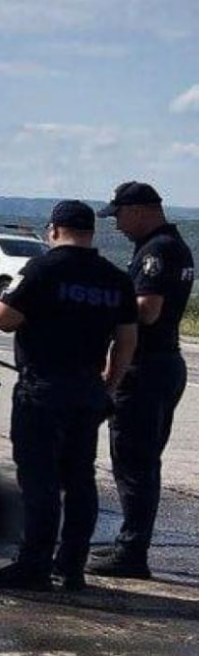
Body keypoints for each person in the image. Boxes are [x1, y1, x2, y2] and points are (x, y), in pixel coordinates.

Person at [0, 200, 138, 591]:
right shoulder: (115, 278)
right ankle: (71, 566)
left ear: (53, 230)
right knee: (80, 479)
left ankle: (33, 564)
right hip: (87, 389)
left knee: (40, 481)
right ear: (91, 232)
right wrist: (108, 387)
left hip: (43, 388)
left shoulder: (43, 269)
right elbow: (125, 343)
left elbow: (3, 318)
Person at [89, 182, 194, 579]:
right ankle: (130, 545)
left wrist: (103, 302)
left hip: (147, 368)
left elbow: (147, 311)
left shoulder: (159, 250)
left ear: (141, 209)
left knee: (134, 463)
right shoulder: (170, 246)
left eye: (119, 215)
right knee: (141, 461)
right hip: (162, 364)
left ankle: (132, 552)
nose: (116, 225)